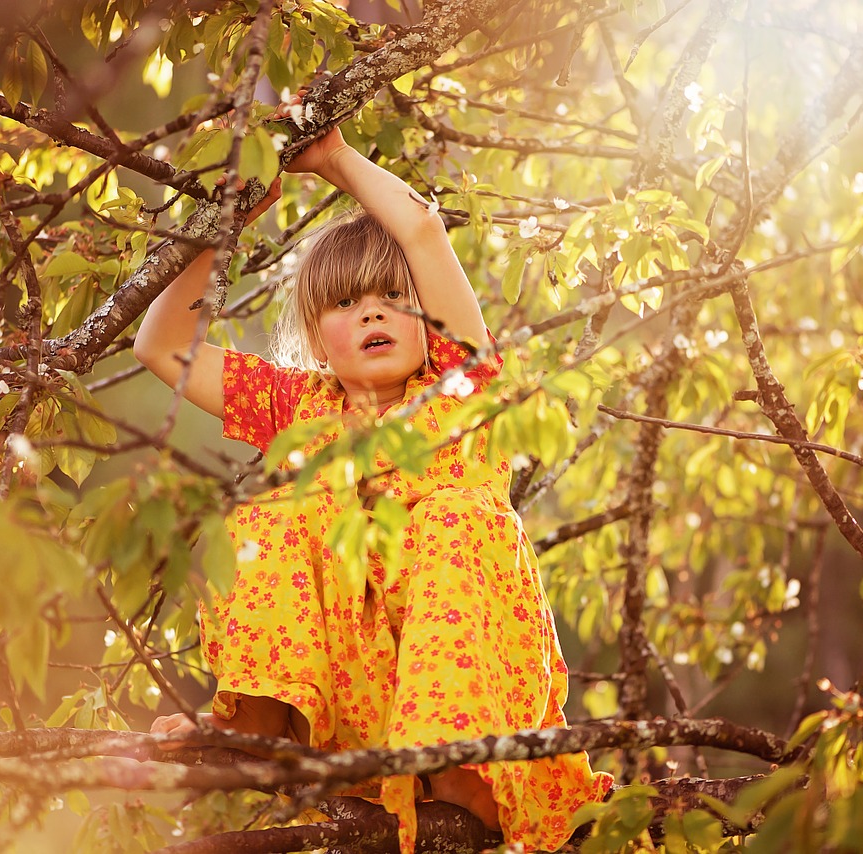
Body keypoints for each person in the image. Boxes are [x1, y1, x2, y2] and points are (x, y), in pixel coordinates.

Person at [134, 106, 612, 852]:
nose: (373, 315)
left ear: (429, 321)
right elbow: (159, 346)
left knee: (454, 515)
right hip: (354, 708)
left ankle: (462, 768)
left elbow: (421, 232)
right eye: (347, 304)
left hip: (470, 699)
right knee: (271, 514)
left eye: (394, 299)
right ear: (317, 334)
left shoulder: (461, 386)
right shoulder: (302, 408)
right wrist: (221, 228)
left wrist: (334, 157)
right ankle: (254, 718)